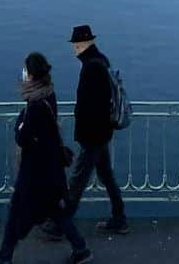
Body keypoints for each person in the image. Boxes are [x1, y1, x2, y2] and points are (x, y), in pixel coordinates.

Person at [0, 52, 91, 264]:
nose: (23, 74)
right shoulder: (48, 95)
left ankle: (5, 256)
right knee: (55, 211)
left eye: (25, 70)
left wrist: (19, 125)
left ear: (30, 75)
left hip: (35, 174)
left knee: (16, 213)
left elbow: (24, 138)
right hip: (49, 171)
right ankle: (81, 249)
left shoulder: (36, 105)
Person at [42, 25, 128, 238]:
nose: (74, 49)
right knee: (106, 177)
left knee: (77, 181)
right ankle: (120, 219)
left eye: (75, 45)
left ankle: (61, 225)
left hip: (93, 136)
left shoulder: (91, 68)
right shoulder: (101, 61)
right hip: (102, 133)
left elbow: (91, 106)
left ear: (82, 45)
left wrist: (84, 133)